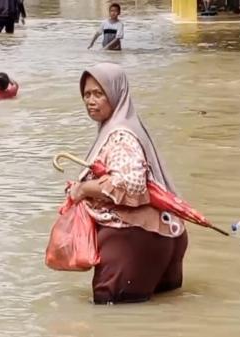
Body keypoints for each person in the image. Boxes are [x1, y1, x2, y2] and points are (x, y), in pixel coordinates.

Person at [68, 63, 188, 304]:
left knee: (110, 314)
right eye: (87, 94)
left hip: (131, 240)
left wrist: (83, 189)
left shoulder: (121, 135)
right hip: (165, 236)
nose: (91, 101)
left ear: (116, 93)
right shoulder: (131, 127)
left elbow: (131, 183)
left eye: (99, 94)